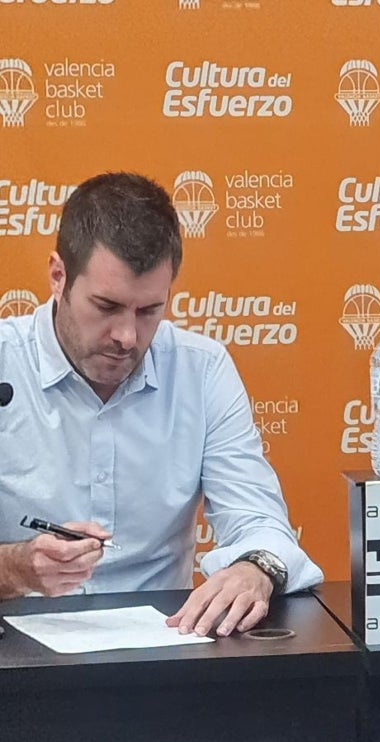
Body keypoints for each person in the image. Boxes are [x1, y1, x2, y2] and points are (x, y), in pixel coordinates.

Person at [0, 172, 322, 635]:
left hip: (161, 661)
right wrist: (17, 567)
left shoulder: (201, 369)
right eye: (107, 306)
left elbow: (259, 521)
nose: (127, 337)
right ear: (58, 277)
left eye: (150, 311)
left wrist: (255, 569)